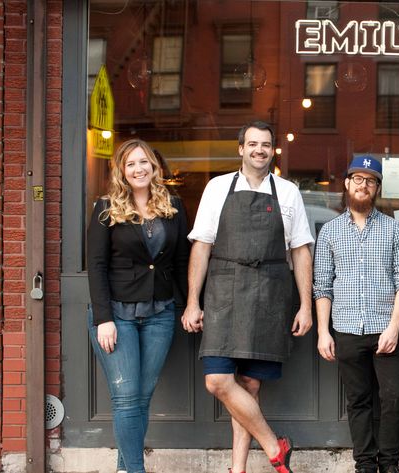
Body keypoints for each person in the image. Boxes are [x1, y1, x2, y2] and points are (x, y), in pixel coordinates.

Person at [182, 121, 314, 473]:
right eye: (252, 143)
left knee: (250, 384)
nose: (259, 149)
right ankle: (275, 445)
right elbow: (202, 246)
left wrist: (305, 304)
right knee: (218, 381)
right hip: (224, 290)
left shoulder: (287, 192)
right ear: (240, 149)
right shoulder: (217, 187)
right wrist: (193, 301)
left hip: (270, 292)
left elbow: (301, 250)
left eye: (266, 144)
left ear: (273, 150)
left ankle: (237, 469)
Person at [87, 139, 190, 473]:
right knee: (127, 398)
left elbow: (181, 261)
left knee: (141, 397)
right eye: (130, 164)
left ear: (154, 166)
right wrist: (103, 318)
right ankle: (135, 470)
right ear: (121, 171)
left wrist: (192, 304)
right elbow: (97, 266)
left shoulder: (173, 207)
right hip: (116, 315)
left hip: (160, 313)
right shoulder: (105, 207)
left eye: (143, 162)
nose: (138, 169)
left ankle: (122, 468)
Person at [313, 156, 399, 473]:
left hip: (385, 329)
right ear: (346, 184)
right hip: (345, 329)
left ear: (377, 189)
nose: (363, 185)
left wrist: (394, 328)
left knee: (394, 398)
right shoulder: (329, 232)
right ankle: (365, 464)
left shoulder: (394, 230)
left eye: (370, 181)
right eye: (357, 179)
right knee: (358, 401)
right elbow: (322, 285)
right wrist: (322, 331)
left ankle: (388, 463)